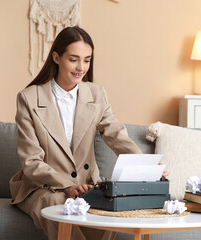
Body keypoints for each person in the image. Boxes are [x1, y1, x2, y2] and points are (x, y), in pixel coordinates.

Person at [9, 26, 167, 240]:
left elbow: (116, 135)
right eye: (73, 59)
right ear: (56, 57)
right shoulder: (28, 98)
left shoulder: (96, 94)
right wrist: (66, 185)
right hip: (43, 187)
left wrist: (145, 165)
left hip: (86, 185)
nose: (80, 67)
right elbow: (31, 162)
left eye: (87, 60)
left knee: (110, 203)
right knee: (57, 204)